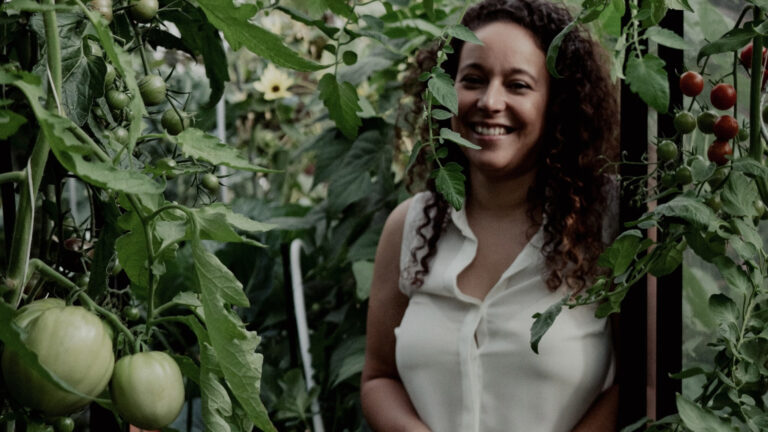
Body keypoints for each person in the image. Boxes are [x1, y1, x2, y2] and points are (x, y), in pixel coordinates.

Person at [360, 0, 621, 431]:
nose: (489, 101)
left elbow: (639, 384)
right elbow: (379, 377)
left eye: (518, 85)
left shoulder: (607, 221)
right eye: (473, 80)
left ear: (556, 101)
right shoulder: (411, 226)